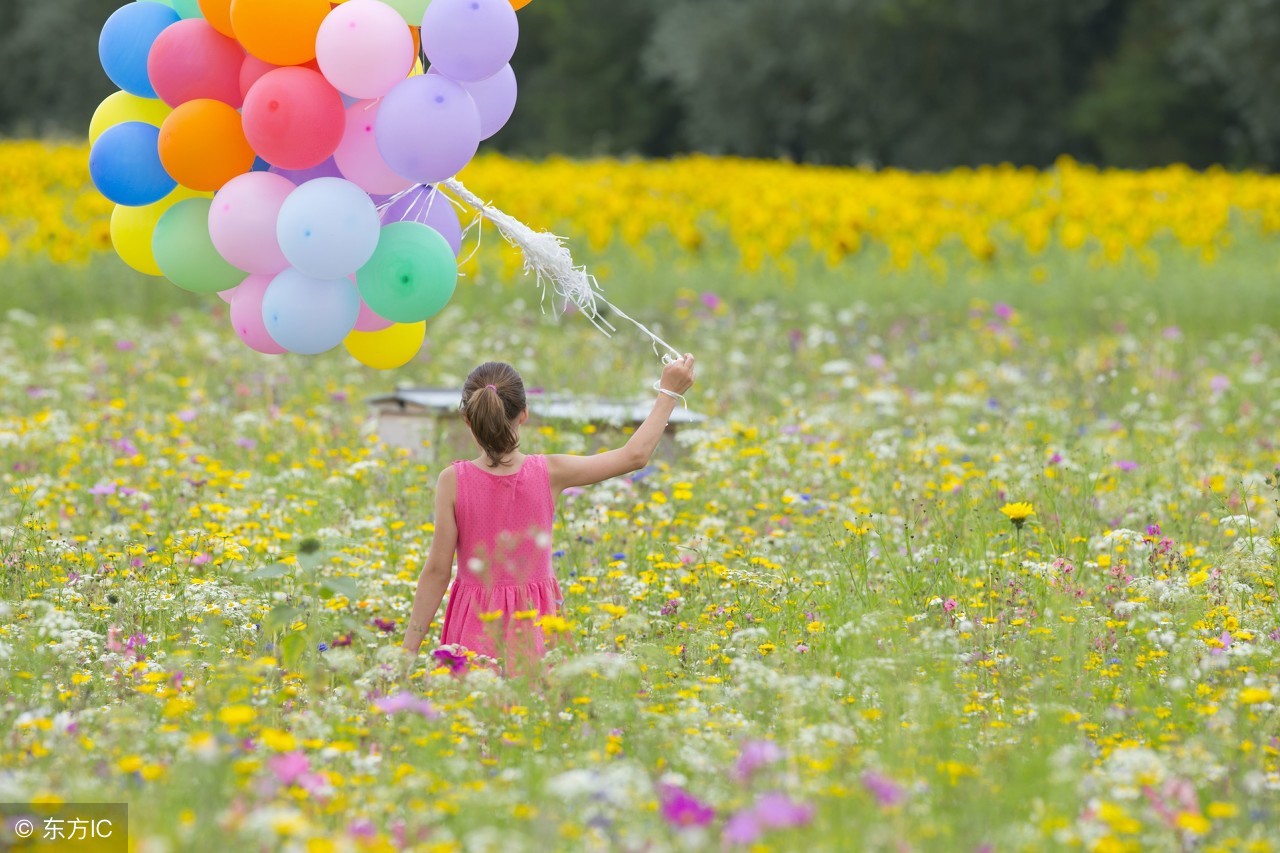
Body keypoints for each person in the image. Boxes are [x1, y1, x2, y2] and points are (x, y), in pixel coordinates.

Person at [400, 354, 697, 671]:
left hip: (475, 627)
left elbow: (436, 572)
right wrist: (668, 393)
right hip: (537, 626)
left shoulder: (453, 481)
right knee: (535, 713)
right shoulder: (549, 471)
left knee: (475, 716)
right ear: (524, 414)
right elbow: (634, 456)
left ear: (468, 419)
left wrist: (406, 655)